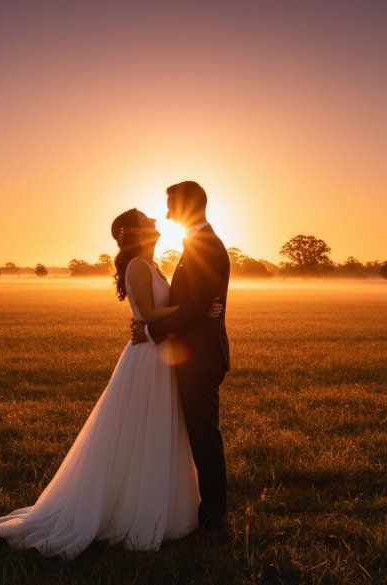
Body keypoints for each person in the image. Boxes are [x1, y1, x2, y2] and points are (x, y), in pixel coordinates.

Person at [0, 207, 222, 559]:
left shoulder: (151, 264)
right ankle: (130, 511)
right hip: (146, 359)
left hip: (160, 354)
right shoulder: (139, 267)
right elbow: (148, 314)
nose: (156, 221)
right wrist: (197, 309)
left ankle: (158, 505)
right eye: (147, 220)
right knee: (140, 429)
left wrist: (187, 310)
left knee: (158, 429)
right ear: (134, 232)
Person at [131, 180, 231, 531]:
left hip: (201, 360)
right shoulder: (196, 244)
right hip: (193, 356)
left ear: (189, 206)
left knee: (204, 437)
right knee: (197, 435)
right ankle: (203, 509)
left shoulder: (207, 246)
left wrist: (149, 331)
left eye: (172, 204)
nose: (168, 212)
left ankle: (214, 518)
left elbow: (193, 308)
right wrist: (202, 307)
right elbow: (196, 306)